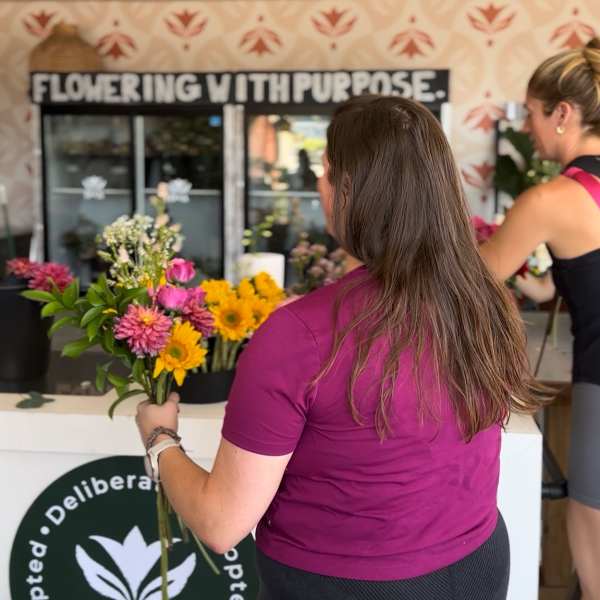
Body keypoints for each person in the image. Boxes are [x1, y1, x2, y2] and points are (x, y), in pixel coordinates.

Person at [136, 95, 546, 599]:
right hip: (478, 563)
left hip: (350, 585)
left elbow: (221, 523)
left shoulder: (297, 335)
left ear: (353, 191)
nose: (318, 183)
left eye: (327, 171)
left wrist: (160, 438)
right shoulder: (484, 299)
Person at [480, 38, 600, 600]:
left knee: (591, 529)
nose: (526, 127)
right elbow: (566, 279)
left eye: (531, 113)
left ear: (563, 113)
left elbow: (473, 280)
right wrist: (533, 283)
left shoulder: (552, 199)